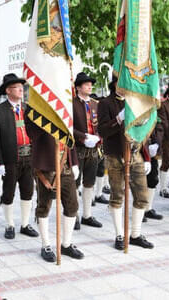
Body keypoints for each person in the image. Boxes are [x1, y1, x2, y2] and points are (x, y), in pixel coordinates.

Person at [97, 76, 154, 250]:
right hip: (115, 154)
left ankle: (135, 234)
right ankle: (119, 235)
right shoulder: (105, 103)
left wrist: (147, 155)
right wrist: (118, 119)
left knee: (142, 196)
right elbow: (103, 131)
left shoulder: (136, 102)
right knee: (117, 195)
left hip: (135, 153)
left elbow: (143, 131)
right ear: (115, 84)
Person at [25, 106, 84, 262]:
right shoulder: (34, 107)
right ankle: (46, 245)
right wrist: (48, 116)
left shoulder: (62, 104)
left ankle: (66, 243)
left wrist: (75, 162)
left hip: (65, 164)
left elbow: (69, 136)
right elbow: (32, 133)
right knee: (44, 206)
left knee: (72, 206)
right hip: (45, 165)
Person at [0, 73, 39, 239]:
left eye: (21, 87)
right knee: (8, 192)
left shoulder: (28, 109)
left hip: (29, 157)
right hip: (11, 158)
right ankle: (9, 224)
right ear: (8, 90)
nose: (21, 90)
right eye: (17, 87)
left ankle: (25, 224)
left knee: (28, 191)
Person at [72, 72, 103, 230]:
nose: (90, 86)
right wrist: (83, 137)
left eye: (91, 84)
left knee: (89, 182)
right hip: (78, 148)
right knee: (75, 183)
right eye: (86, 84)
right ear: (78, 87)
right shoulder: (72, 104)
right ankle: (74, 215)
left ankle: (87, 215)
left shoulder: (95, 103)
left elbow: (100, 125)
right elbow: (69, 128)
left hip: (93, 149)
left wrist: (98, 137)